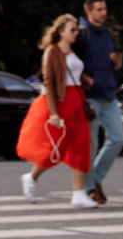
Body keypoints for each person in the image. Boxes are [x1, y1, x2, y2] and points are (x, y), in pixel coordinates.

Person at [16, 14, 92, 199]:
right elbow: (49, 82)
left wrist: (89, 81)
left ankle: (79, 193)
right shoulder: (52, 51)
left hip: (76, 102)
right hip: (60, 101)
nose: (76, 33)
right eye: (72, 30)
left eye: (77, 29)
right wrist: (54, 113)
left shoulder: (73, 52)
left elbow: (76, 74)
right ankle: (31, 177)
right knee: (54, 150)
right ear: (60, 32)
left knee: (81, 145)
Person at [71, 0, 123, 209]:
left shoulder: (109, 34)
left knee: (118, 138)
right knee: (90, 146)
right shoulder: (82, 34)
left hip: (109, 94)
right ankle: (87, 189)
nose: (104, 13)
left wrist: (118, 62)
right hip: (90, 97)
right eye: (99, 9)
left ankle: (95, 181)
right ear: (88, 11)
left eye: (105, 9)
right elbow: (70, 61)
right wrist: (85, 80)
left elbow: (114, 66)